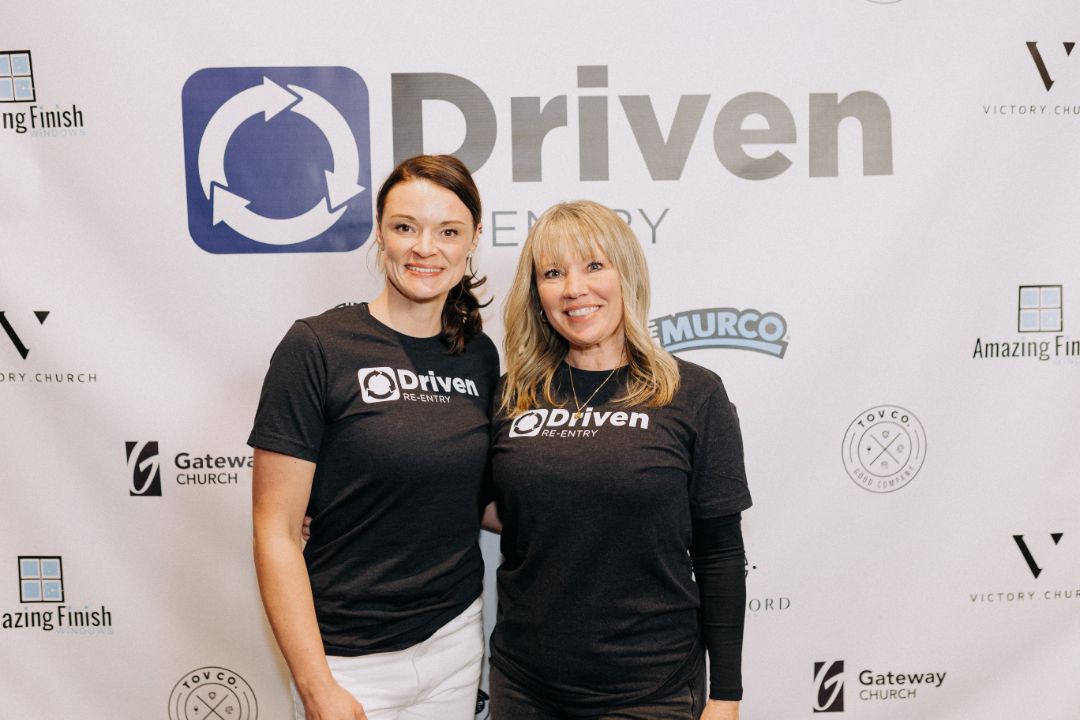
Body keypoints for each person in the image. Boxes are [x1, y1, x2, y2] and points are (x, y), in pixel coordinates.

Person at [250, 155, 500, 720]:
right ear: (381, 233)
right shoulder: (317, 347)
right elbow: (276, 532)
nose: (425, 248)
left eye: (448, 231)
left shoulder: (478, 355)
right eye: (406, 227)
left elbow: (478, 499)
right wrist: (317, 687)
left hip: (455, 642)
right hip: (347, 660)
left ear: (473, 240)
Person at [488, 201, 751, 720]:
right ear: (536, 294)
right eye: (553, 273)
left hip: (650, 691)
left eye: (594, 266)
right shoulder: (511, 395)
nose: (574, 289)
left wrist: (726, 695)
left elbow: (720, 553)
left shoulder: (693, 393)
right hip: (525, 687)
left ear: (626, 275)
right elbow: (470, 499)